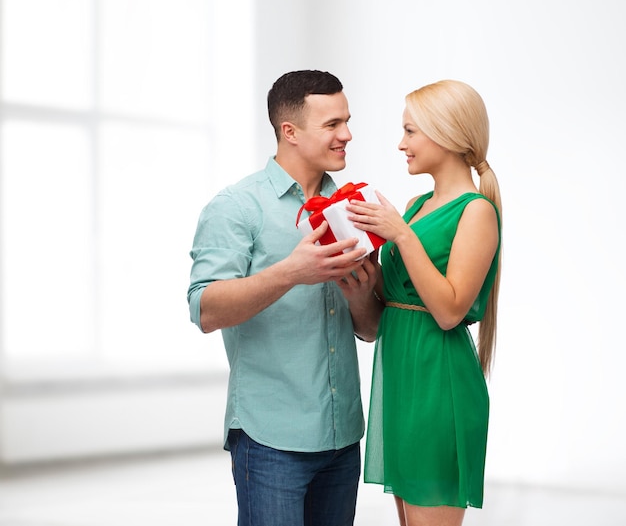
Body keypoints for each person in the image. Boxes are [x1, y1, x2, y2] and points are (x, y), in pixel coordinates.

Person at [187, 70, 380, 526]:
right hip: (271, 440)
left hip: (342, 435)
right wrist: (293, 272)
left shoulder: (353, 208)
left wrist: (362, 296)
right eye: (332, 124)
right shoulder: (236, 207)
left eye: (347, 121)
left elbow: (369, 329)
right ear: (289, 132)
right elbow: (205, 308)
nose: (347, 135)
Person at [343, 80, 502, 526]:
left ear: (447, 134)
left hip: (438, 383)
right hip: (399, 381)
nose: (401, 144)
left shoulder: (476, 212)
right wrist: (363, 283)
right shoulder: (413, 207)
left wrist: (400, 235)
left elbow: (450, 311)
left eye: (411, 131)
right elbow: (386, 314)